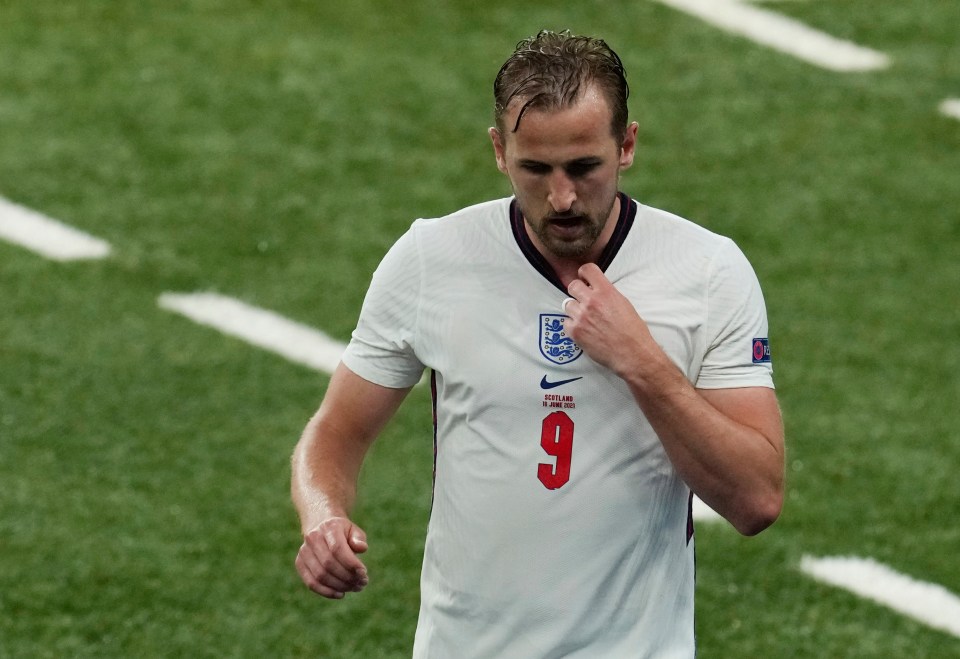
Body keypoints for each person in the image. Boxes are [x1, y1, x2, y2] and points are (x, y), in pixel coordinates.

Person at [292, 30, 785, 657]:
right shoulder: (431, 260)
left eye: (584, 168)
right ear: (500, 152)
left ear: (627, 145)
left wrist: (643, 363)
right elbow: (337, 431)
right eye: (535, 169)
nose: (562, 199)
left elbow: (756, 500)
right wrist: (322, 515)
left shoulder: (708, 273)